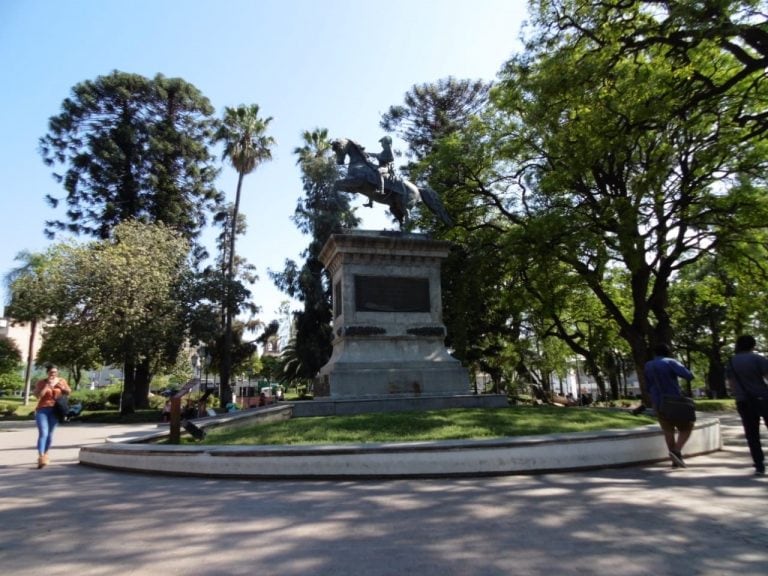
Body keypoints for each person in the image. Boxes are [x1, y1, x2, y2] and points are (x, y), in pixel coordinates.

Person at [644, 343, 694, 468]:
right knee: (687, 427)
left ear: (654, 353)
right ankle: (676, 451)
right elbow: (688, 376)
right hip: (674, 401)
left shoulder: (648, 365)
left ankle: (675, 460)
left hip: (658, 402)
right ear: (668, 352)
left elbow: (648, 386)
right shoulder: (671, 362)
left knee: (668, 431)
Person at [724, 334, 768, 476]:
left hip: (743, 400)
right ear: (753, 345)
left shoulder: (731, 362)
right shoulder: (758, 359)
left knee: (752, 434)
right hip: (763, 398)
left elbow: (731, 383)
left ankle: (759, 465)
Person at [32, 364, 71, 469]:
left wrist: (61, 387)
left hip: (55, 410)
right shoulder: (41, 382)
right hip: (42, 410)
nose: (53, 374)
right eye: (51, 372)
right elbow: (38, 396)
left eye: (55, 372)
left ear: (57, 373)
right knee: (43, 433)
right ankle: (41, 457)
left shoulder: (61, 381)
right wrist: (47, 385)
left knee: (50, 434)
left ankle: (46, 454)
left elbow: (68, 392)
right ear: (47, 373)